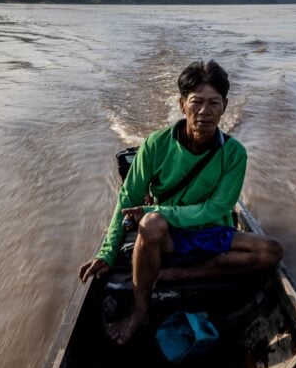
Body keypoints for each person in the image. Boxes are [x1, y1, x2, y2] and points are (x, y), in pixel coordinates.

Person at [79, 60, 283, 345]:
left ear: (224, 106)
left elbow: (217, 210)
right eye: (196, 102)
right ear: (181, 105)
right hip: (168, 237)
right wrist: (106, 253)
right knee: (150, 224)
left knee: (271, 251)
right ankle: (140, 311)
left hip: (211, 230)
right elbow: (128, 199)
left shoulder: (234, 154)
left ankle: (177, 273)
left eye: (214, 103)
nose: (204, 111)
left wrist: (154, 209)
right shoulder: (155, 145)